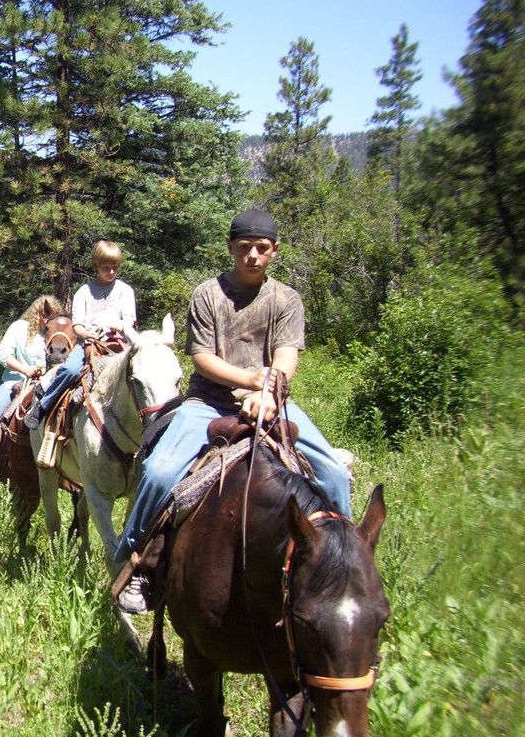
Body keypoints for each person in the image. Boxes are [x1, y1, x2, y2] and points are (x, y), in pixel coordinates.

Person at [113, 208, 354, 614]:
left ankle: (342, 567)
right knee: (158, 471)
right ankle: (136, 562)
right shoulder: (207, 295)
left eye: (262, 248)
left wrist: (271, 393)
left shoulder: (286, 299)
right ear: (230, 248)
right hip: (209, 403)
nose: (253, 255)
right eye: (245, 247)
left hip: (273, 401)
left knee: (332, 472)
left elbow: (286, 353)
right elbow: (203, 359)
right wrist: (250, 382)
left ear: (274, 251)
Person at [26, 240, 136, 430]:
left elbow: (129, 318)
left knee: (141, 372)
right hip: (90, 345)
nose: (111, 272)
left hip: (117, 344)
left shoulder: (124, 290)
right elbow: (77, 325)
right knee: (69, 370)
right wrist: (88, 334)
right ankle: (42, 406)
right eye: (106, 268)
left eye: (115, 268)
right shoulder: (84, 292)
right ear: (96, 266)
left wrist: (122, 324)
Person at [0, 294, 61, 460]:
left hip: (47, 385)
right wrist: (25, 369)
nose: (47, 318)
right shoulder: (19, 328)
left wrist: (46, 370)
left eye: (52, 315)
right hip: (15, 382)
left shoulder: (57, 333)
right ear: (36, 313)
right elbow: (4, 354)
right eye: (44, 314)